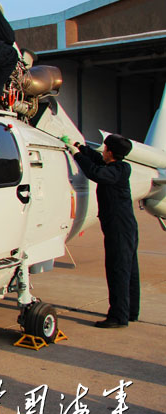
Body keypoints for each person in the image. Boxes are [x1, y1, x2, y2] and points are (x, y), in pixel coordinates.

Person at [67, 134, 140, 328]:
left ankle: (118, 317)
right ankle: (130, 311)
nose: (103, 151)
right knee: (129, 270)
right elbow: (97, 161)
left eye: (105, 148)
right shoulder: (117, 166)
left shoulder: (116, 171)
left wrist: (76, 155)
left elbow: (94, 172)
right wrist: (80, 147)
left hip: (119, 228)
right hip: (124, 225)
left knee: (118, 270)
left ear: (110, 152)